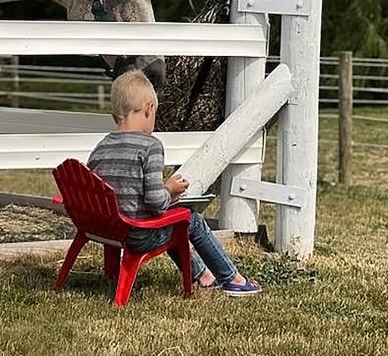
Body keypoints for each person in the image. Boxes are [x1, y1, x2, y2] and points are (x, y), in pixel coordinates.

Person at [87, 69, 262, 297]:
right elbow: (155, 202)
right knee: (191, 221)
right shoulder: (150, 147)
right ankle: (233, 279)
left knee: (173, 220)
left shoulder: (101, 147)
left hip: (107, 230)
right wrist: (169, 190)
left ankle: (204, 276)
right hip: (138, 235)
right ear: (150, 109)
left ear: (114, 116)